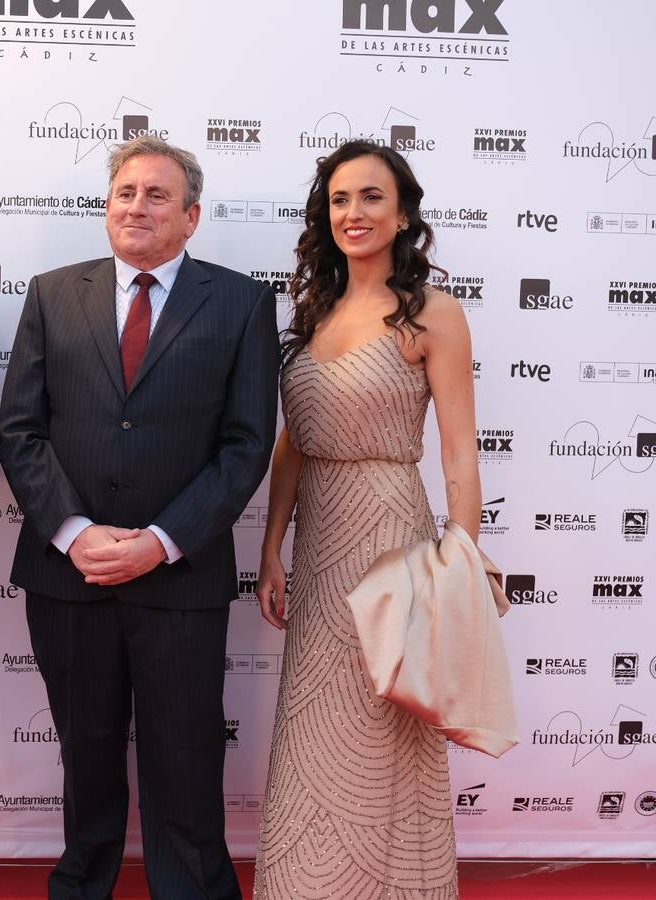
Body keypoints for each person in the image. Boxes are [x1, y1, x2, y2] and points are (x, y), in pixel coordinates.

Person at [0, 135, 279, 900]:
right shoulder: (54, 293)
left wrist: (159, 543)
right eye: (124, 192)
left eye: (156, 195)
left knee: (184, 761)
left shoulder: (243, 301)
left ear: (191, 216)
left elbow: (246, 446)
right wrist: (74, 533)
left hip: (179, 579)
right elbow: (19, 432)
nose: (136, 206)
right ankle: (82, 885)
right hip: (68, 574)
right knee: (84, 756)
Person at [252, 140, 480, 898]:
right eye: (341, 199)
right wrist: (272, 547)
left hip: (391, 537)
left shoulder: (433, 314)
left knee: (386, 724)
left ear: (403, 212)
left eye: (371, 197)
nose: (354, 213)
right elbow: (292, 444)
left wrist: (461, 568)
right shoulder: (312, 309)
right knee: (317, 720)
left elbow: (459, 454)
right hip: (318, 542)